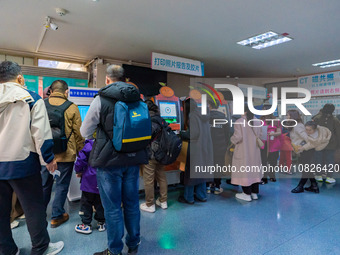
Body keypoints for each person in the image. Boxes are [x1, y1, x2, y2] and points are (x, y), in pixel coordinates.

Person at [81, 65, 148, 255]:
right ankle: (133, 244)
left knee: (112, 209)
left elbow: (85, 132)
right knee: (132, 204)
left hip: (109, 162)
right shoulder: (138, 98)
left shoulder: (101, 99)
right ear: (124, 79)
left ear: (107, 79)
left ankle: (115, 250)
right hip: (134, 158)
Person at [0, 61, 64, 255]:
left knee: (1, 212)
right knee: (33, 208)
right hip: (23, 163)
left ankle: (7, 250)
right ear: (19, 78)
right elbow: (41, 134)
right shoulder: (31, 99)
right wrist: (49, 159)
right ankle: (41, 247)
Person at [41, 80, 84, 228]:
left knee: (44, 184)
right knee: (61, 185)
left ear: (51, 91)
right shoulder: (72, 107)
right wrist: (81, 155)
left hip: (45, 156)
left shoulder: (41, 105)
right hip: (66, 154)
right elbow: (79, 133)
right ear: (66, 92)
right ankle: (56, 216)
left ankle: (40, 214)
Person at [178, 98, 213, 204]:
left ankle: (188, 197)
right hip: (204, 147)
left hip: (195, 148)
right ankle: (201, 196)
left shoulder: (192, 115)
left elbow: (193, 134)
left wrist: (181, 133)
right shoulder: (204, 115)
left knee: (190, 173)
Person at [140, 100, 168, 213]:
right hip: (161, 154)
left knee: (149, 180)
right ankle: (163, 201)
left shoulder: (146, 120)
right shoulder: (161, 120)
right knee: (162, 177)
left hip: (150, 154)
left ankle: (150, 204)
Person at [231, 104, 263, 202]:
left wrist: (231, 140)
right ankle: (254, 193)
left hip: (243, 150)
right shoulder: (257, 121)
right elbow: (261, 135)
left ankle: (246, 194)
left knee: (244, 171)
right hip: (255, 151)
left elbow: (238, 137)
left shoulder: (239, 122)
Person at [290, 117, 331, 193]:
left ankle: (300, 186)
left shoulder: (317, 136)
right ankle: (314, 185)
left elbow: (311, 144)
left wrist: (302, 148)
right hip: (308, 151)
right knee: (307, 168)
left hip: (310, 151)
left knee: (306, 169)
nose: (307, 132)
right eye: (306, 130)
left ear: (314, 129)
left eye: (310, 130)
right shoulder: (314, 132)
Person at [74, 136, 106, 234]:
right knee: (100, 202)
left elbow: (81, 159)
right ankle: (101, 222)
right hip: (102, 179)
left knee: (86, 203)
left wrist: (78, 170)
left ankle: (86, 224)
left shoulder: (89, 144)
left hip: (89, 180)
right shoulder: (107, 142)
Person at [206, 99, 230, 194]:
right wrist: (225, 144)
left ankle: (208, 186)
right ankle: (217, 186)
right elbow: (227, 133)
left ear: (209, 105)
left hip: (208, 146)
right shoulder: (224, 118)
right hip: (220, 146)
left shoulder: (206, 117)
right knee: (218, 165)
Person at [313, 104, 340, 184]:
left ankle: (319, 176)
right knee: (330, 161)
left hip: (318, 144)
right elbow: (338, 133)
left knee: (318, 160)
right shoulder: (335, 120)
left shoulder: (317, 118)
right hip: (331, 145)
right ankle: (329, 177)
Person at [260, 114, 281, 184]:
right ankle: (264, 177)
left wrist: (272, 134)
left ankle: (272, 175)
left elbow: (279, 132)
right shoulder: (261, 121)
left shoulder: (276, 121)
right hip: (263, 144)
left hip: (273, 144)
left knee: (273, 162)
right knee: (264, 161)